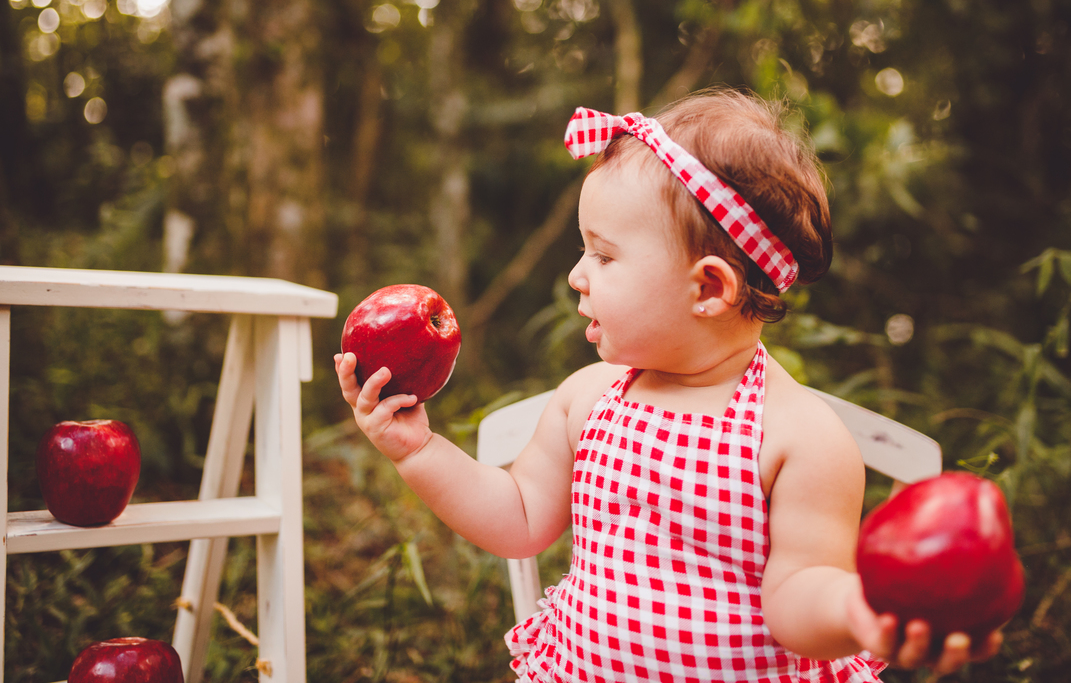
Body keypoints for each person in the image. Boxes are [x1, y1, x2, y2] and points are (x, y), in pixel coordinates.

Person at [335, 89, 1003, 682]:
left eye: (603, 254)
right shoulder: (588, 398)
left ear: (708, 287)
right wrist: (418, 451)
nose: (576, 275)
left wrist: (858, 609)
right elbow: (518, 517)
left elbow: (798, 598)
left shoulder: (799, 439)